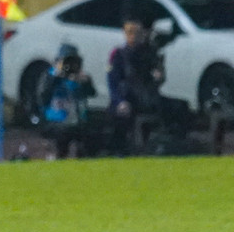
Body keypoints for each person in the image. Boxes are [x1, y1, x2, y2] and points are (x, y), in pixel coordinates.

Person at [107, 14, 167, 154]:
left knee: (177, 108)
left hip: (146, 97)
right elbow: (112, 81)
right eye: (130, 32)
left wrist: (159, 76)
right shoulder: (119, 54)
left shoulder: (150, 53)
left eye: (137, 32)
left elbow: (158, 78)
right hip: (126, 97)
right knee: (120, 115)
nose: (134, 36)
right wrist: (120, 101)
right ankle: (120, 150)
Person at [39, 43, 97, 159]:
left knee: (85, 142)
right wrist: (57, 76)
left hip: (77, 121)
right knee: (60, 144)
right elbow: (43, 95)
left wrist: (83, 81)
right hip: (56, 121)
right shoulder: (50, 76)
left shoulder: (80, 77)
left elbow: (92, 92)